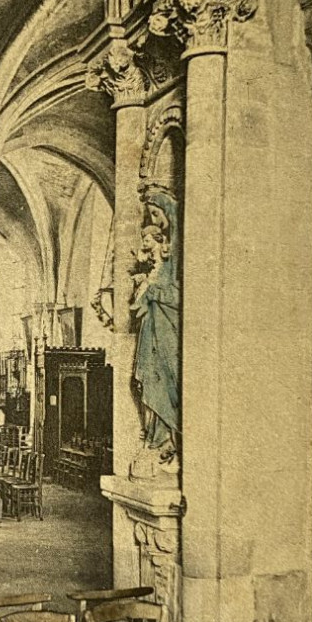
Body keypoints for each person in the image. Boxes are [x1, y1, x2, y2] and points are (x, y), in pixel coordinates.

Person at [131, 186, 180, 462]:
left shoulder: (172, 264)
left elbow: (177, 296)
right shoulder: (155, 270)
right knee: (146, 380)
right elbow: (136, 309)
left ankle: (166, 438)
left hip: (167, 332)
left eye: (156, 214)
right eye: (150, 214)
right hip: (151, 332)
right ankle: (154, 436)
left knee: (164, 381)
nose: (155, 219)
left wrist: (150, 291)